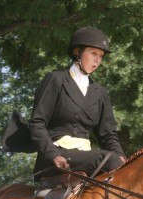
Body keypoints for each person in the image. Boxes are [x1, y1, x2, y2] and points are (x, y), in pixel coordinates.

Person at [28, 26, 126, 181]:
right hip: (57, 156)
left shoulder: (100, 92)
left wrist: (122, 159)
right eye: (93, 53)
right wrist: (53, 154)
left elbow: (108, 135)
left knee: (126, 165)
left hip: (85, 157)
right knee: (108, 159)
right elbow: (37, 123)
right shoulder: (56, 80)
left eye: (101, 56)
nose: (97, 60)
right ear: (77, 52)